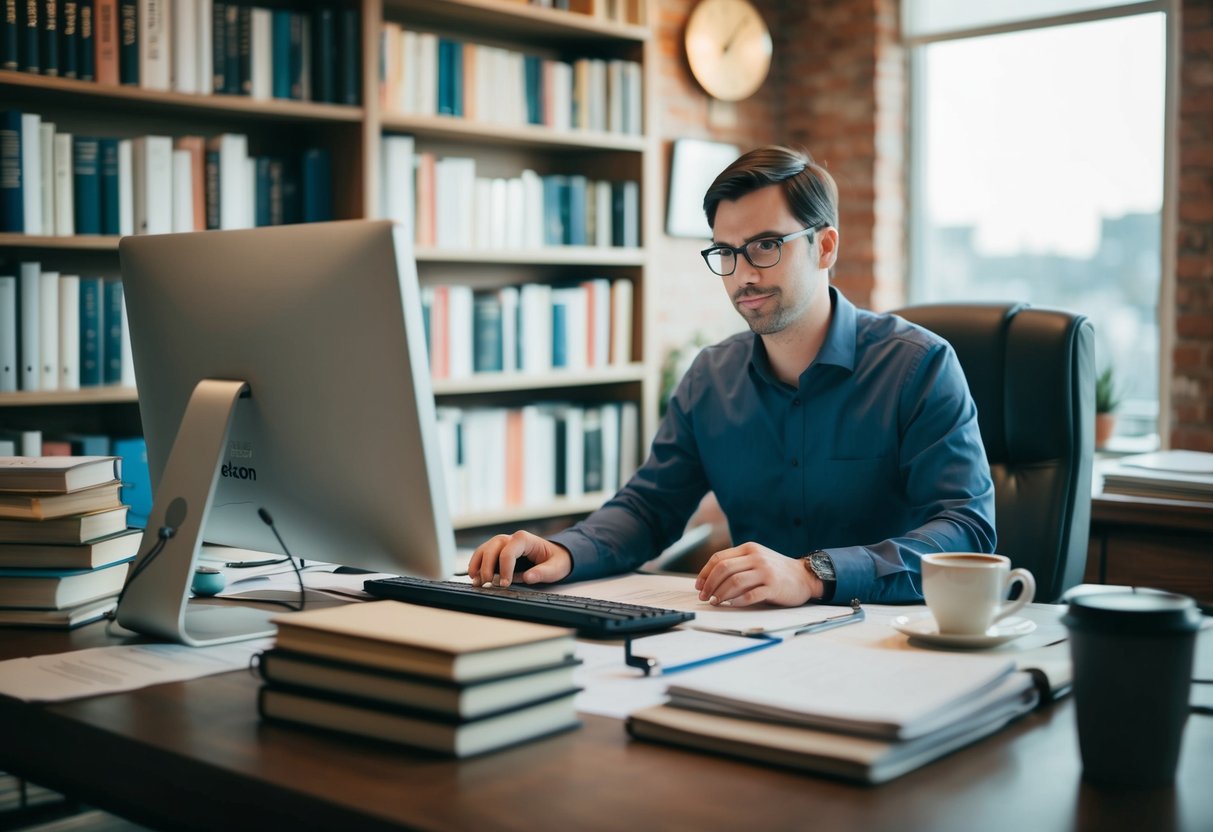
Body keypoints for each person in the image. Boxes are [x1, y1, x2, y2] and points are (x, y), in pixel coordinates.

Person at [469, 145, 995, 606]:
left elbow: (966, 530)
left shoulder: (918, 366)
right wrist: (563, 550)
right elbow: (650, 509)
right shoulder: (709, 378)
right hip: (751, 638)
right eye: (726, 252)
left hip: (889, 636)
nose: (743, 274)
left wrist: (813, 574)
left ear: (826, 247)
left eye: (766, 245)